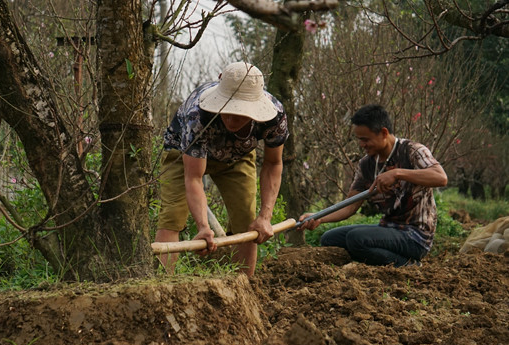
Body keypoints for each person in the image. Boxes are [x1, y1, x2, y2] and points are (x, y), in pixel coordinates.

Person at [155, 61, 288, 276]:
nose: (232, 118)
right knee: (172, 216)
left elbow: (273, 164)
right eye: (228, 109)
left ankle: (244, 288)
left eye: (240, 113)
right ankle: (161, 287)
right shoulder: (198, 114)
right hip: (183, 155)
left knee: (247, 221)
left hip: (237, 156)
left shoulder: (275, 116)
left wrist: (265, 217)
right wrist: (203, 227)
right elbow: (194, 178)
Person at [298, 104, 448, 267]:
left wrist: (397, 173)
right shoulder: (366, 164)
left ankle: (407, 265)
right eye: (359, 139)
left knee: (357, 239)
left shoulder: (412, 151)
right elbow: (350, 206)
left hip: (415, 235)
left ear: (383, 133)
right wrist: (319, 217)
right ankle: (375, 261)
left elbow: (441, 177)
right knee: (330, 239)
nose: (362, 144)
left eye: (365, 139)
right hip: (388, 229)